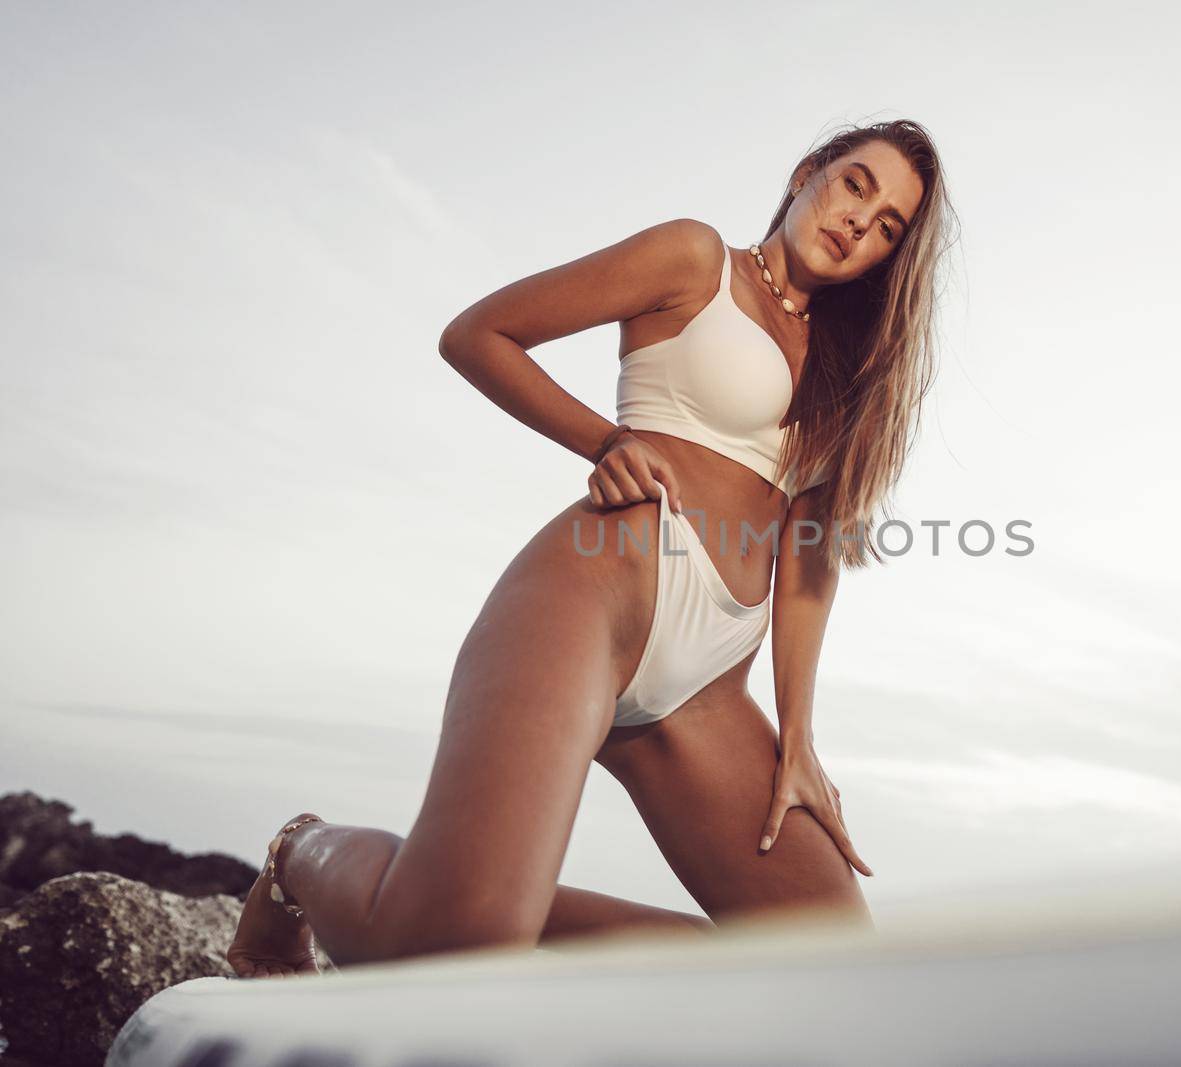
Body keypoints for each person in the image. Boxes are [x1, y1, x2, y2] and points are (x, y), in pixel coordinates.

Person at [226, 119, 956, 975]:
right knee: (444, 949)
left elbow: (810, 552)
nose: (859, 222)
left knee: (827, 968)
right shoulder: (695, 260)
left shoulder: (853, 367)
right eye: (855, 186)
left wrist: (797, 733)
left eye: (890, 226)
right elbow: (479, 334)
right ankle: (299, 857)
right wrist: (606, 443)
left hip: (710, 675)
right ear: (808, 174)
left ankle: (559, 925)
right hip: (597, 592)